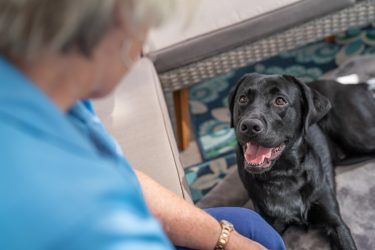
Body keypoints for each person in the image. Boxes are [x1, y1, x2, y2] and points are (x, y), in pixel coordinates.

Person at [0, 0, 286, 249]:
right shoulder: (85, 216)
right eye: (147, 30)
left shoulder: (54, 96)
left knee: (251, 228)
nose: (142, 47)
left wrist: (224, 237)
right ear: (118, 24)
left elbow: (122, 176)